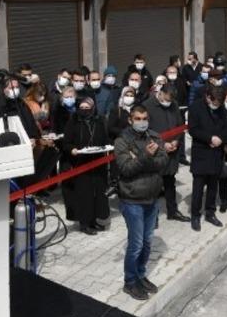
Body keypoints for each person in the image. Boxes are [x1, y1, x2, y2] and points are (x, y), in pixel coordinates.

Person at [112, 106, 169, 302]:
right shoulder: (121, 141)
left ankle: (140, 275)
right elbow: (126, 169)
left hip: (152, 198)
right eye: (137, 118)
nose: (142, 121)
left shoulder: (155, 136)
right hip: (132, 199)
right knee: (135, 244)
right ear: (130, 119)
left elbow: (163, 162)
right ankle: (130, 281)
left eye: (145, 118)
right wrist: (146, 156)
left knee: (146, 242)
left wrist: (143, 159)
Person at [61, 96, 110, 234]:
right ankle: (84, 223)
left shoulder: (99, 121)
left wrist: (107, 146)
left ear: (93, 108)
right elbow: (66, 143)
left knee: (97, 193)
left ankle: (94, 220)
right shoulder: (73, 122)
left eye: (87, 108)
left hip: (98, 162)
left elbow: (105, 138)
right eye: (82, 108)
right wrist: (73, 150)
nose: (84, 111)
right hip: (80, 163)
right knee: (84, 194)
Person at [142, 84, 189, 221]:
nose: (168, 103)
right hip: (155, 152)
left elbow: (179, 126)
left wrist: (176, 141)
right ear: (160, 93)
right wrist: (162, 144)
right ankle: (152, 217)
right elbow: (144, 131)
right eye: (166, 99)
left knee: (170, 182)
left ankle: (172, 211)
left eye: (170, 100)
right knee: (154, 185)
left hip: (172, 152)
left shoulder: (173, 104)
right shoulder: (147, 105)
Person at [187, 86, 227, 231]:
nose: (217, 106)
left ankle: (210, 213)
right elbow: (193, 129)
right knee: (198, 188)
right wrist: (209, 138)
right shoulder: (195, 107)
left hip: (216, 153)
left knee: (213, 187)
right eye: (215, 103)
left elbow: (226, 127)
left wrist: (221, 139)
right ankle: (195, 215)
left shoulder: (221, 108)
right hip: (202, 152)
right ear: (208, 97)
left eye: (219, 104)